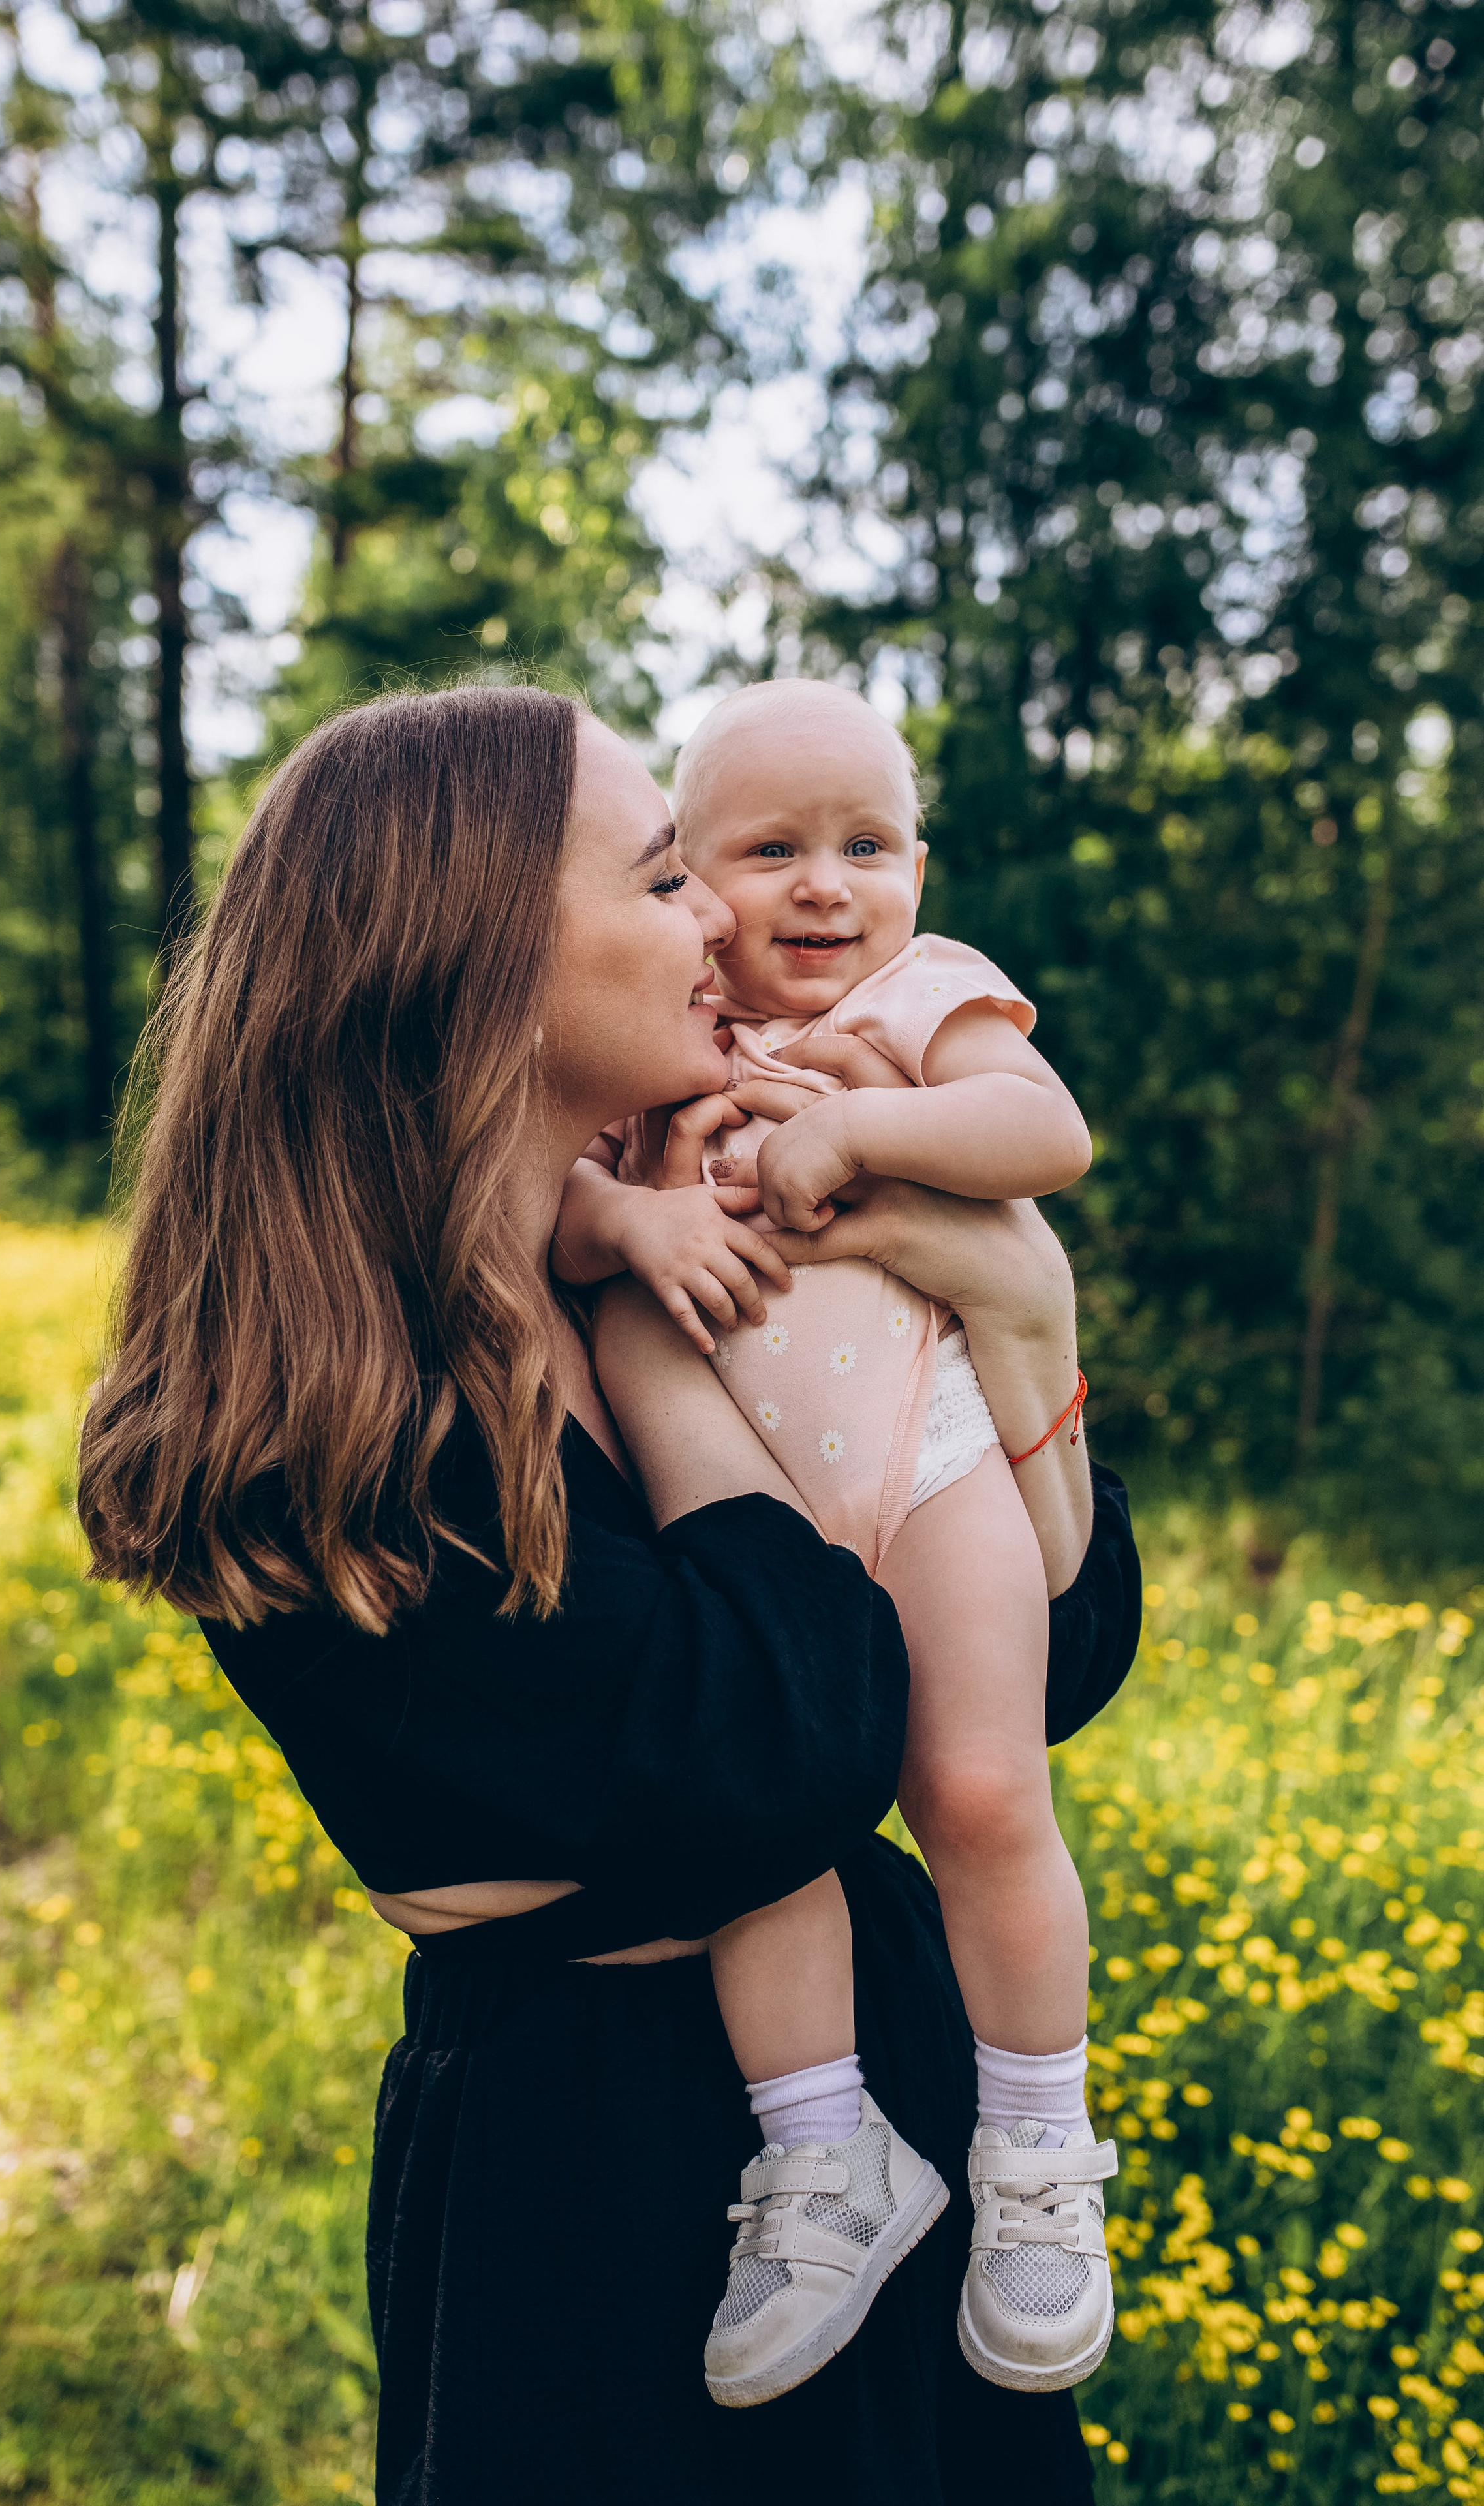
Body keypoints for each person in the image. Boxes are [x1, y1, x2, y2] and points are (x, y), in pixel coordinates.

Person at [77, 684, 1141, 2506]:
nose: (728, 915)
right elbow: (788, 1746)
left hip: (900, 2074)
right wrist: (654, 1339)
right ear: (476, 963)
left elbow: (1059, 1659)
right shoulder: (325, 1425)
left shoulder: (691, 1204)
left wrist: (1024, 1325)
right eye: (665, 878)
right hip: (610, 2174)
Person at [555, 679, 1115, 2407]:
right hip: (758, 1521)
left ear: (919, 873)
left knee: (985, 1794)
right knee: (768, 1825)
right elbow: (552, 1215)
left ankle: (1038, 2150)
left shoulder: (925, 997)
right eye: (770, 850)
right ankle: (821, 2152)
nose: (825, 885)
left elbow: (1046, 1135)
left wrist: (861, 1126)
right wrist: (633, 1218)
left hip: (931, 1461)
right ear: (689, 883)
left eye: (868, 846)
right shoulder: (664, 1035)